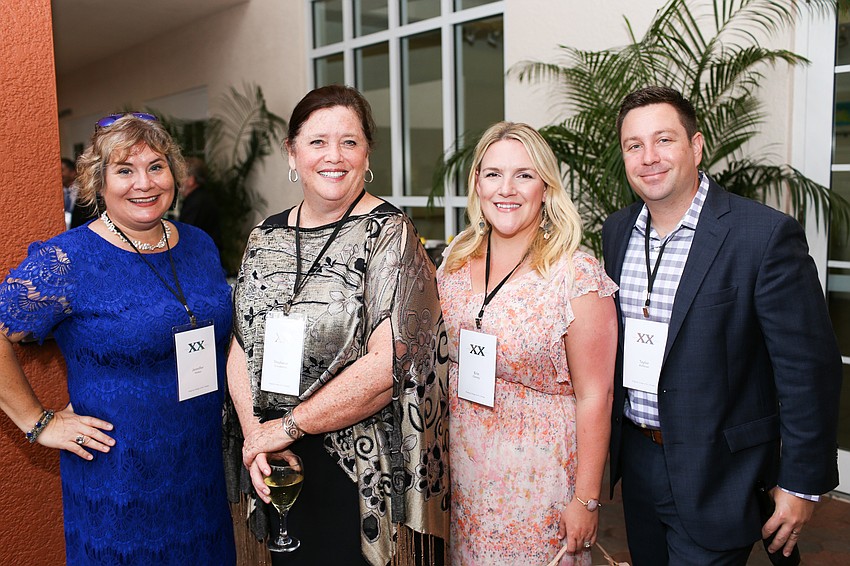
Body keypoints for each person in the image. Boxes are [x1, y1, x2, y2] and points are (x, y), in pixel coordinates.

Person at [602, 86, 843, 565]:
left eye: (664, 140)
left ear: (695, 146)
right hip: (639, 458)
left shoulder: (763, 236)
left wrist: (801, 483)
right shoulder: (617, 231)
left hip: (721, 469)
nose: (648, 157)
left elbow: (808, 371)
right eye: (634, 145)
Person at [226, 85, 449, 566]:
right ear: (292, 152)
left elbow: (387, 365)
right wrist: (256, 437)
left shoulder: (389, 232)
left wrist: (286, 426)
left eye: (349, 141)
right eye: (317, 141)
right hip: (274, 459)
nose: (334, 156)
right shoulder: (265, 236)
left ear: (367, 153)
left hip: (357, 467)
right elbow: (241, 345)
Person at [0, 113, 236, 565]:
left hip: (199, 468)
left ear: (174, 173)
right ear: (97, 181)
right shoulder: (67, 260)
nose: (143, 183)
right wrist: (38, 421)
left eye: (156, 166)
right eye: (124, 170)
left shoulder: (199, 244)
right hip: (119, 479)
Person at [437, 121, 618, 565]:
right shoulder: (455, 258)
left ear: (546, 188)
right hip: (459, 477)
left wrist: (587, 499)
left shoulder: (576, 275)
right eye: (493, 173)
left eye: (524, 174)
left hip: (536, 489)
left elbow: (597, 395)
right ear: (477, 183)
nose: (507, 189)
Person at [179, 156, 222, 252]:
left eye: (181, 176)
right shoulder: (202, 197)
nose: (178, 181)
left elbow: (186, 234)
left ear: (191, 180)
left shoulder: (195, 202)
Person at [61, 156, 77, 229]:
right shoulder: (60, 192)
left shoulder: (83, 191)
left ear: (73, 172)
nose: (60, 174)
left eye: (62, 170)